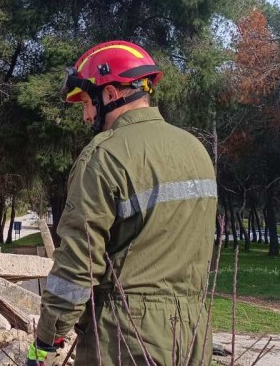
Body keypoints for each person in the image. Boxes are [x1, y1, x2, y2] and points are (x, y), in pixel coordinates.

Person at [27, 41, 218, 365]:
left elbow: (78, 263)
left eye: (87, 102)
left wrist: (47, 338)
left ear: (112, 94)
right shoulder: (195, 150)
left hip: (126, 338)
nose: (86, 115)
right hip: (193, 333)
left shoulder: (104, 156)